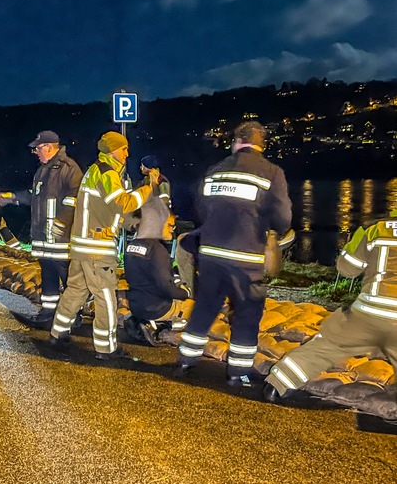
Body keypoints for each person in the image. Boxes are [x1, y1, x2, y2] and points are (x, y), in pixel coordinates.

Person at [176, 120, 292, 385]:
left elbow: (200, 207)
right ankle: (238, 372)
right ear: (261, 145)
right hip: (247, 257)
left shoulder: (216, 170)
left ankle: (185, 360)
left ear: (235, 143)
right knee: (247, 314)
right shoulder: (271, 173)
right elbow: (283, 217)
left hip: (211, 254)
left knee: (205, 307)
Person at [50, 130, 160, 359]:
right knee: (106, 297)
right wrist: (149, 187)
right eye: (124, 149)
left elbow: (106, 207)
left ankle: (57, 333)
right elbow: (122, 203)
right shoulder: (108, 173)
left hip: (81, 246)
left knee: (75, 291)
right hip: (97, 249)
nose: (127, 153)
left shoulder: (93, 170)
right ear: (112, 150)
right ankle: (107, 348)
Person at [264, 215, 397, 403]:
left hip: (367, 312)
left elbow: (347, 269)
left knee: (326, 346)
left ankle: (276, 385)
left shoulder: (375, 229)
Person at [28, 130, 83, 327]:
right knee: (48, 276)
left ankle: (73, 315)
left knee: (67, 277)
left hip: (60, 237)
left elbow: (74, 198)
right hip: (44, 237)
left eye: (38, 148)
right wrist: (12, 198)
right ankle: (48, 311)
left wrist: (62, 221)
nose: (36, 152)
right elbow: (37, 199)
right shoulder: (43, 169)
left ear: (50, 148)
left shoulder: (68, 168)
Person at [124, 204, 192, 346]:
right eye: (169, 226)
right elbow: (166, 287)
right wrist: (185, 293)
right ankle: (162, 328)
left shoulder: (132, 245)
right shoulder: (158, 250)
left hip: (136, 304)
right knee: (195, 309)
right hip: (157, 308)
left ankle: (142, 322)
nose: (172, 230)